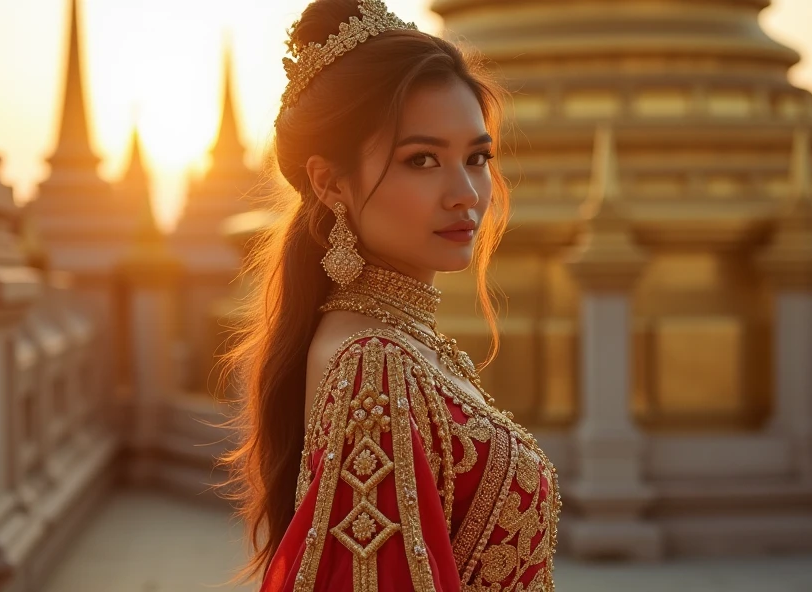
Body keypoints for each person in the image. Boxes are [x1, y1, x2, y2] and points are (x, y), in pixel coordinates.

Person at [220, 0, 561, 589]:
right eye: (422, 159)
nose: (466, 194)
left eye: (477, 158)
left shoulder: (397, 344)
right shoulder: (373, 365)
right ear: (329, 183)